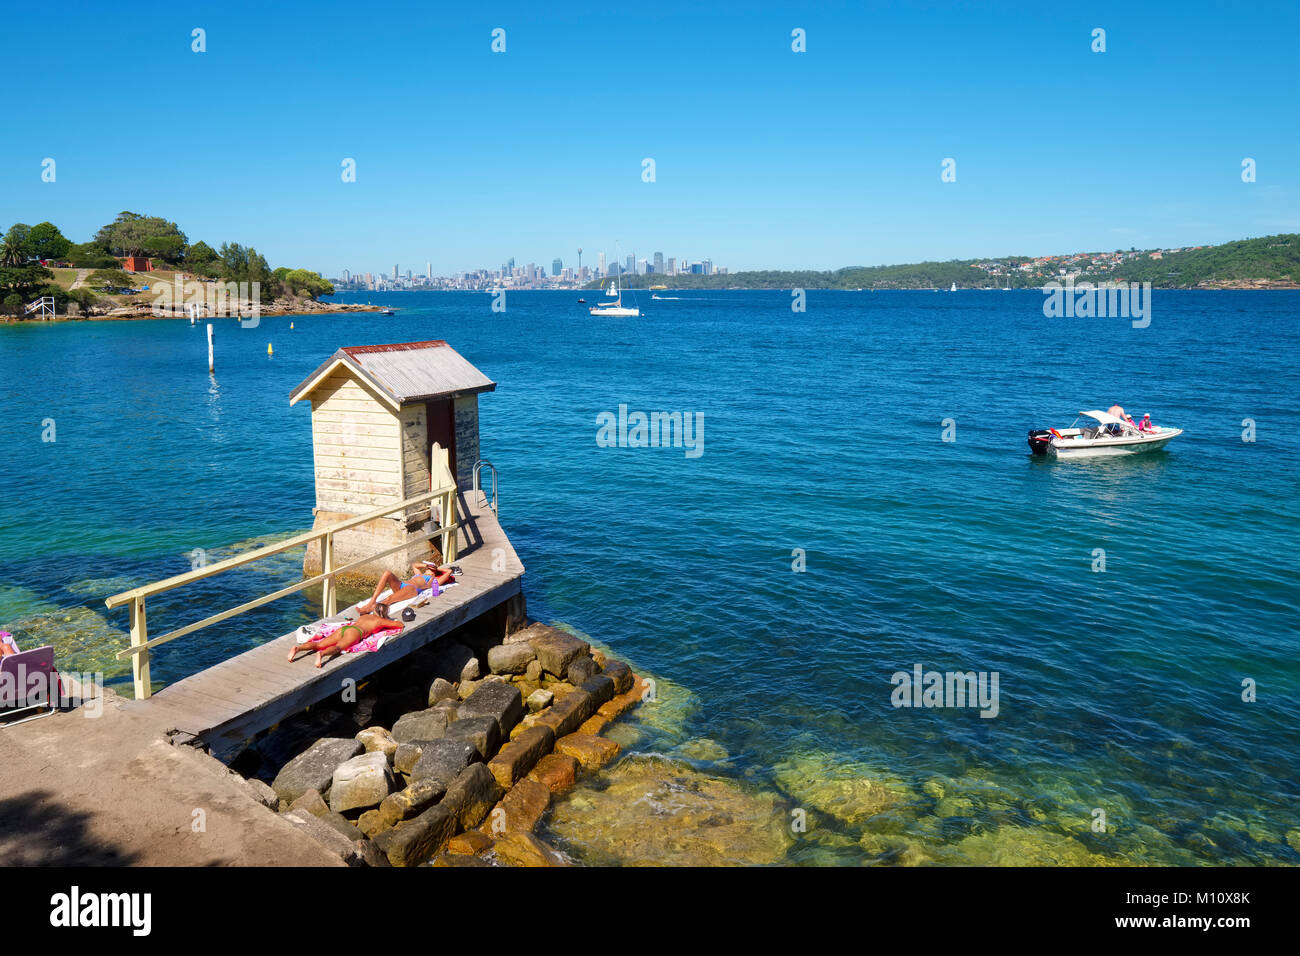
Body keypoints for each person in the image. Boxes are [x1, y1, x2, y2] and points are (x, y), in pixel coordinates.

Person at [287, 604, 401, 668]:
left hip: (345, 628)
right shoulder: (380, 621)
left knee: (318, 644)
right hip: (356, 632)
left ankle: (298, 648)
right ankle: (322, 654)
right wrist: (389, 619)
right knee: (338, 647)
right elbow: (399, 624)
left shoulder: (365, 616)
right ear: (384, 613)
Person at [357, 561, 455, 614]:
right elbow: (414, 565)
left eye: (430, 568)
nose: (428, 568)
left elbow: (449, 571)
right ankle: (372, 601)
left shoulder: (433, 580)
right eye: (428, 567)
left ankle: (369, 609)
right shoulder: (420, 574)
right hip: (402, 585)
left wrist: (436, 568)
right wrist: (426, 565)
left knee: (389, 599)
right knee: (387, 573)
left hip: (412, 589)